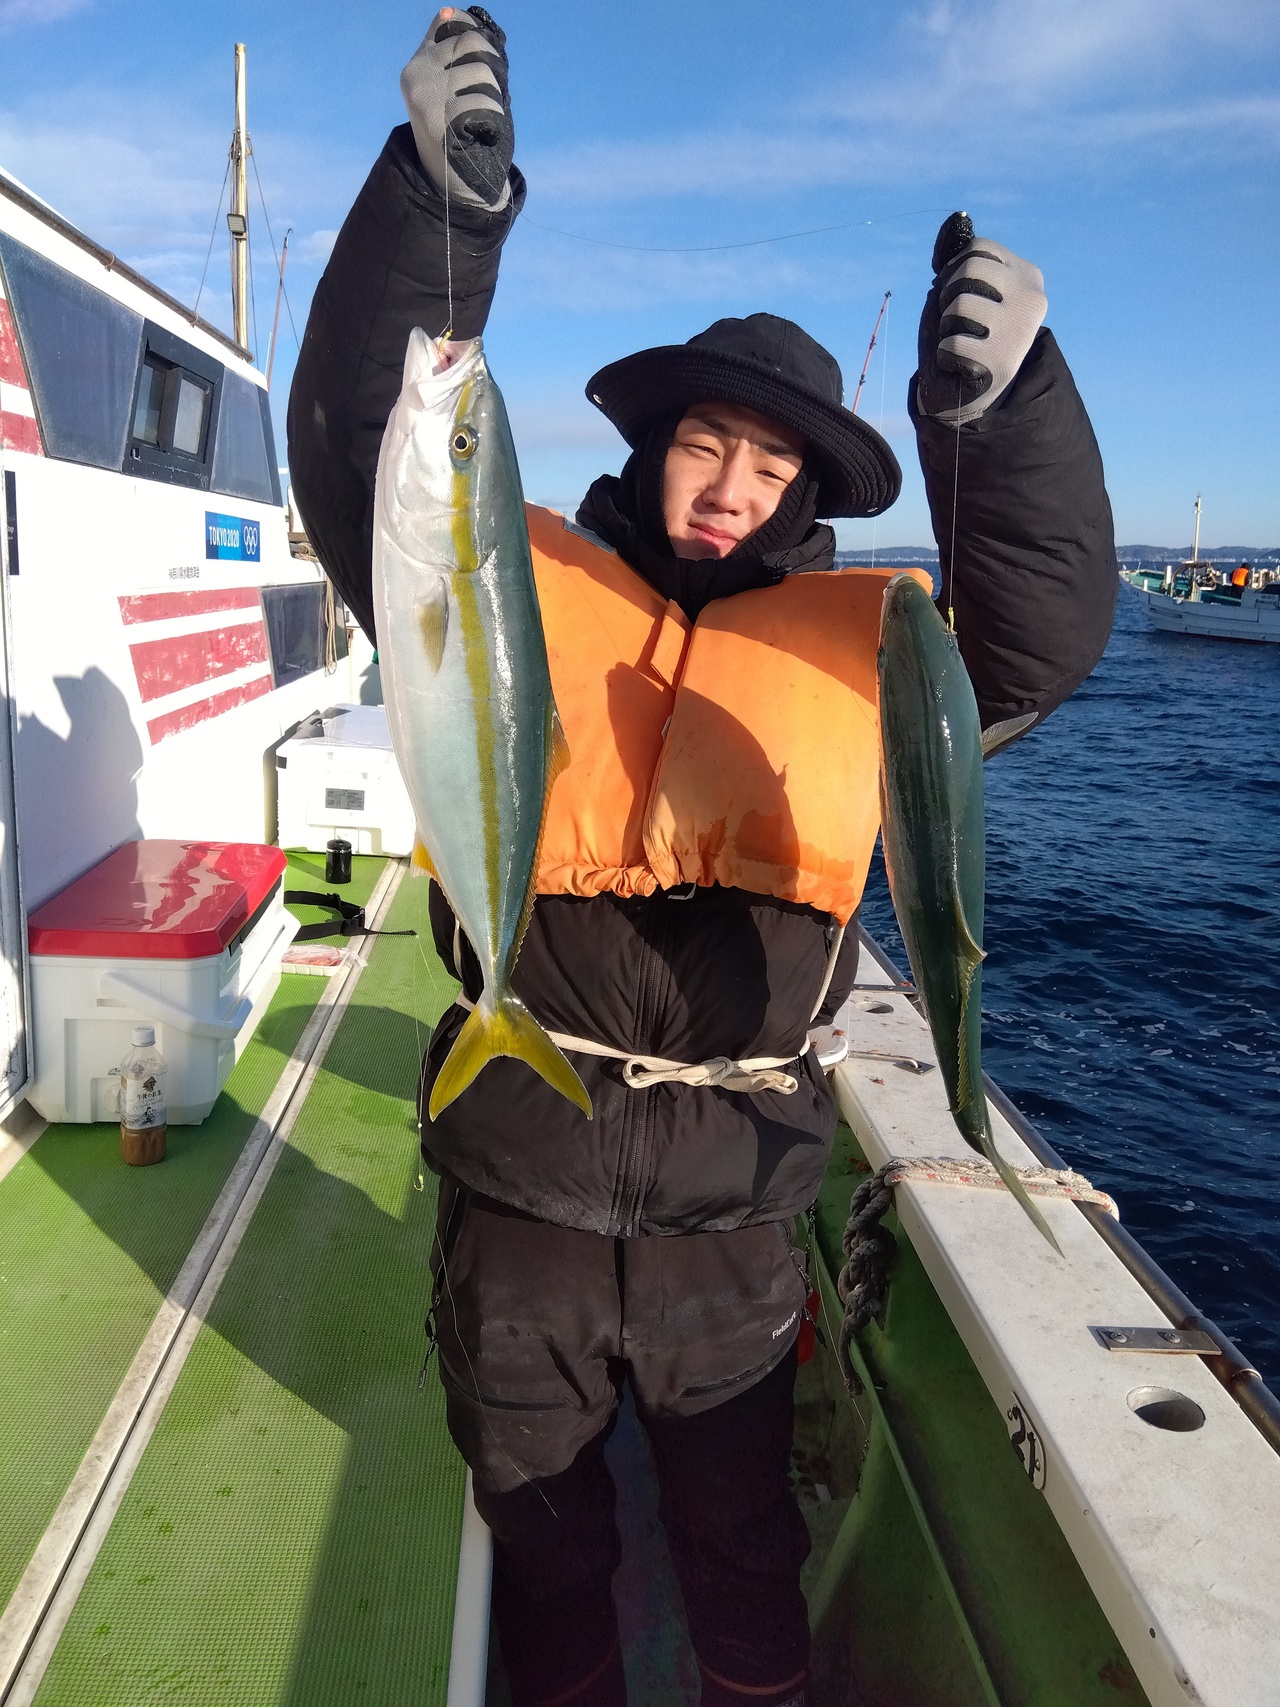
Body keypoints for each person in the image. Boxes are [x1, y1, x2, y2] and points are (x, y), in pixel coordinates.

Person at [288, 10, 1117, 1705]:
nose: (732, 485)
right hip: (520, 1175)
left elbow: (1039, 636)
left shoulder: (877, 640)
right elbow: (362, 446)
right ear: (652, 446)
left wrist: (1007, 407)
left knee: (739, 1537)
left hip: (736, 1202)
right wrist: (441, 216)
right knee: (541, 1530)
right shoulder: (506, 571)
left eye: (772, 459)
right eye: (704, 444)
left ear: (808, 487)